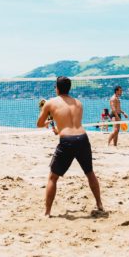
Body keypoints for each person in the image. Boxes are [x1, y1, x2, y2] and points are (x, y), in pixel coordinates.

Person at [37, 76, 105, 218]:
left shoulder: (50, 103)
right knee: (89, 173)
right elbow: (72, 124)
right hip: (82, 138)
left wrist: (48, 119)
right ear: (69, 88)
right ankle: (100, 205)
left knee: (53, 178)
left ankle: (47, 212)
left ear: (57, 88)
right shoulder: (78, 103)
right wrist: (58, 129)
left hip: (67, 140)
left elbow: (39, 123)